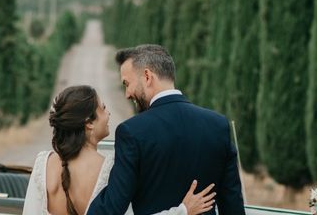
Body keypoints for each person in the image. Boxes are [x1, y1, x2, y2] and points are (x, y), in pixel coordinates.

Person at [87, 44, 245, 215]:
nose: (127, 94)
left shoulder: (132, 132)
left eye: (127, 83)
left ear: (147, 76)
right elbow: (233, 207)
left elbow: (110, 210)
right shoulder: (218, 125)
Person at [22, 85, 216, 215]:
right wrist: (183, 210)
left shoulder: (43, 163)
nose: (108, 114)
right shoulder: (112, 167)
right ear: (88, 123)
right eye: (103, 108)